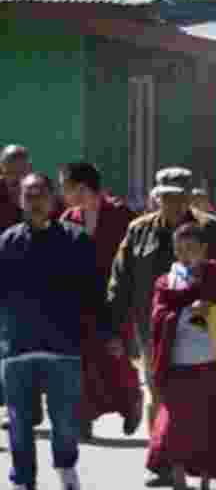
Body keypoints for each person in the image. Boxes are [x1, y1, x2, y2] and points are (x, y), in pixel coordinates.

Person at [107, 167, 216, 488]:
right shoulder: (138, 230)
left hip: (209, 335)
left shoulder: (213, 230)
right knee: (161, 395)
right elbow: (119, 280)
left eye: (178, 196)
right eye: (165, 196)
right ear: (156, 196)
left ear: (189, 197)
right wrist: (113, 329)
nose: (171, 203)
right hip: (155, 332)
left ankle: (214, 466)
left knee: (211, 401)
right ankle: (164, 465)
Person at [0, 173, 107, 490]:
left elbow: (93, 291)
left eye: (40, 194)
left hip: (63, 349)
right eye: (28, 194)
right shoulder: (7, 242)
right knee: (18, 423)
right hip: (17, 349)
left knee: (64, 422)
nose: (34, 201)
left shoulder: (75, 240)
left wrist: (106, 333)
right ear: (20, 200)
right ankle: (23, 480)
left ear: (53, 199)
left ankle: (66, 469)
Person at [145, 223, 216, 490]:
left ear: (205, 250)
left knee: (213, 426)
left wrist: (212, 307)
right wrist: (185, 313)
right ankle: (178, 480)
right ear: (175, 252)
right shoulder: (167, 282)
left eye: (193, 249)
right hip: (180, 365)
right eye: (182, 249)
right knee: (177, 427)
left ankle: (207, 482)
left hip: (213, 364)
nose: (188, 255)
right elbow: (158, 316)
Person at [60, 161, 143, 441]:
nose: (63, 192)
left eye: (66, 186)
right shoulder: (69, 218)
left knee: (115, 356)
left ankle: (131, 401)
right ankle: (83, 418)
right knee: (82, 361)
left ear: (81, 187)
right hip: (81, 301)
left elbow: (136, 256)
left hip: (116, 299)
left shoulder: (121, 214)